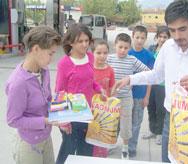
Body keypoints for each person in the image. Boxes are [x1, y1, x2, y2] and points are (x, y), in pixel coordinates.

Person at [113, 1, 188, 164]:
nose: (177, 36)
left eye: (182, 29)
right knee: (167, 161)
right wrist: (130, 79)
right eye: (172, 30)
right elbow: (157, 75)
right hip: (170, 120)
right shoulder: (168, 46)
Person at [5, 26, 61, 164]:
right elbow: (13, 120)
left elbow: (47, 98)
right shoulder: (19, 83)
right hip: (28, 144)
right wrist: (45, 121)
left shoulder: (44, 70)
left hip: (45, 137)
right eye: (50, 53)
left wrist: (61, 106)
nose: (52, 59)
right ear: (36, 49)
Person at [55, 23, 104, 164]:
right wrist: (63, 121)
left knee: (86, 151)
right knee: (68, 151)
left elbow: (90, 81)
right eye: (80, 41)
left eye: (87, 41)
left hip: (87, 113)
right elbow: (59, 91)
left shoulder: (90, 57)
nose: (84, 45)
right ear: (71, 42)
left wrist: (99, 88)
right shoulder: (64, 63)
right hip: (70, 115)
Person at [107, 33, 149, 159]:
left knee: (126, 124)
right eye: (120, 47)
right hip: (111, 99)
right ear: (115, 46)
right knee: (111, 123)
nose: (123, 50)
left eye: (126, 48)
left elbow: (147, 72)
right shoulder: (109, 59)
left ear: (129, 48)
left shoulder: (132, 60)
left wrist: (133, 80)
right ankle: (110, 144)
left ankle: (125, 148)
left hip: (126, 98)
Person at [127, 25, 154, 158]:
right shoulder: (127, 53)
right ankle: (122, 145)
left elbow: (150, 78)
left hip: (140, 96)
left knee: (136, 124)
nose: (139, 40)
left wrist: (147, 97)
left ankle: (132, 148)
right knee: (123, 122)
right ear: (133, 36)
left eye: (142, 38)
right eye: (137, 37)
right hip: (126, 96)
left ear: (145, 39)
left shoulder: (149, 56)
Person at [142, 26, 170, 145]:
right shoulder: (151, 48)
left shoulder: (170, 51)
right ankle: (152, 131)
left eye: (165, 37)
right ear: (156, 37)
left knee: (160, 110)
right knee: (151, 108)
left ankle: (160, 133)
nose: (162, 39)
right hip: (150, 84)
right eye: (160, 37)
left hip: (162, 85)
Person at [91, 39, 115, 157]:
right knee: (90, 140)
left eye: (105, 53)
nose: (102, 56)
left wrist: (113, 107)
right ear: (92, 53)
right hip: (90, 111)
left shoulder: (110, 70)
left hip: (104, 112)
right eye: (99, 53)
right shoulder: (88, 69)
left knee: (102, 140)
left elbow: (111, 89)